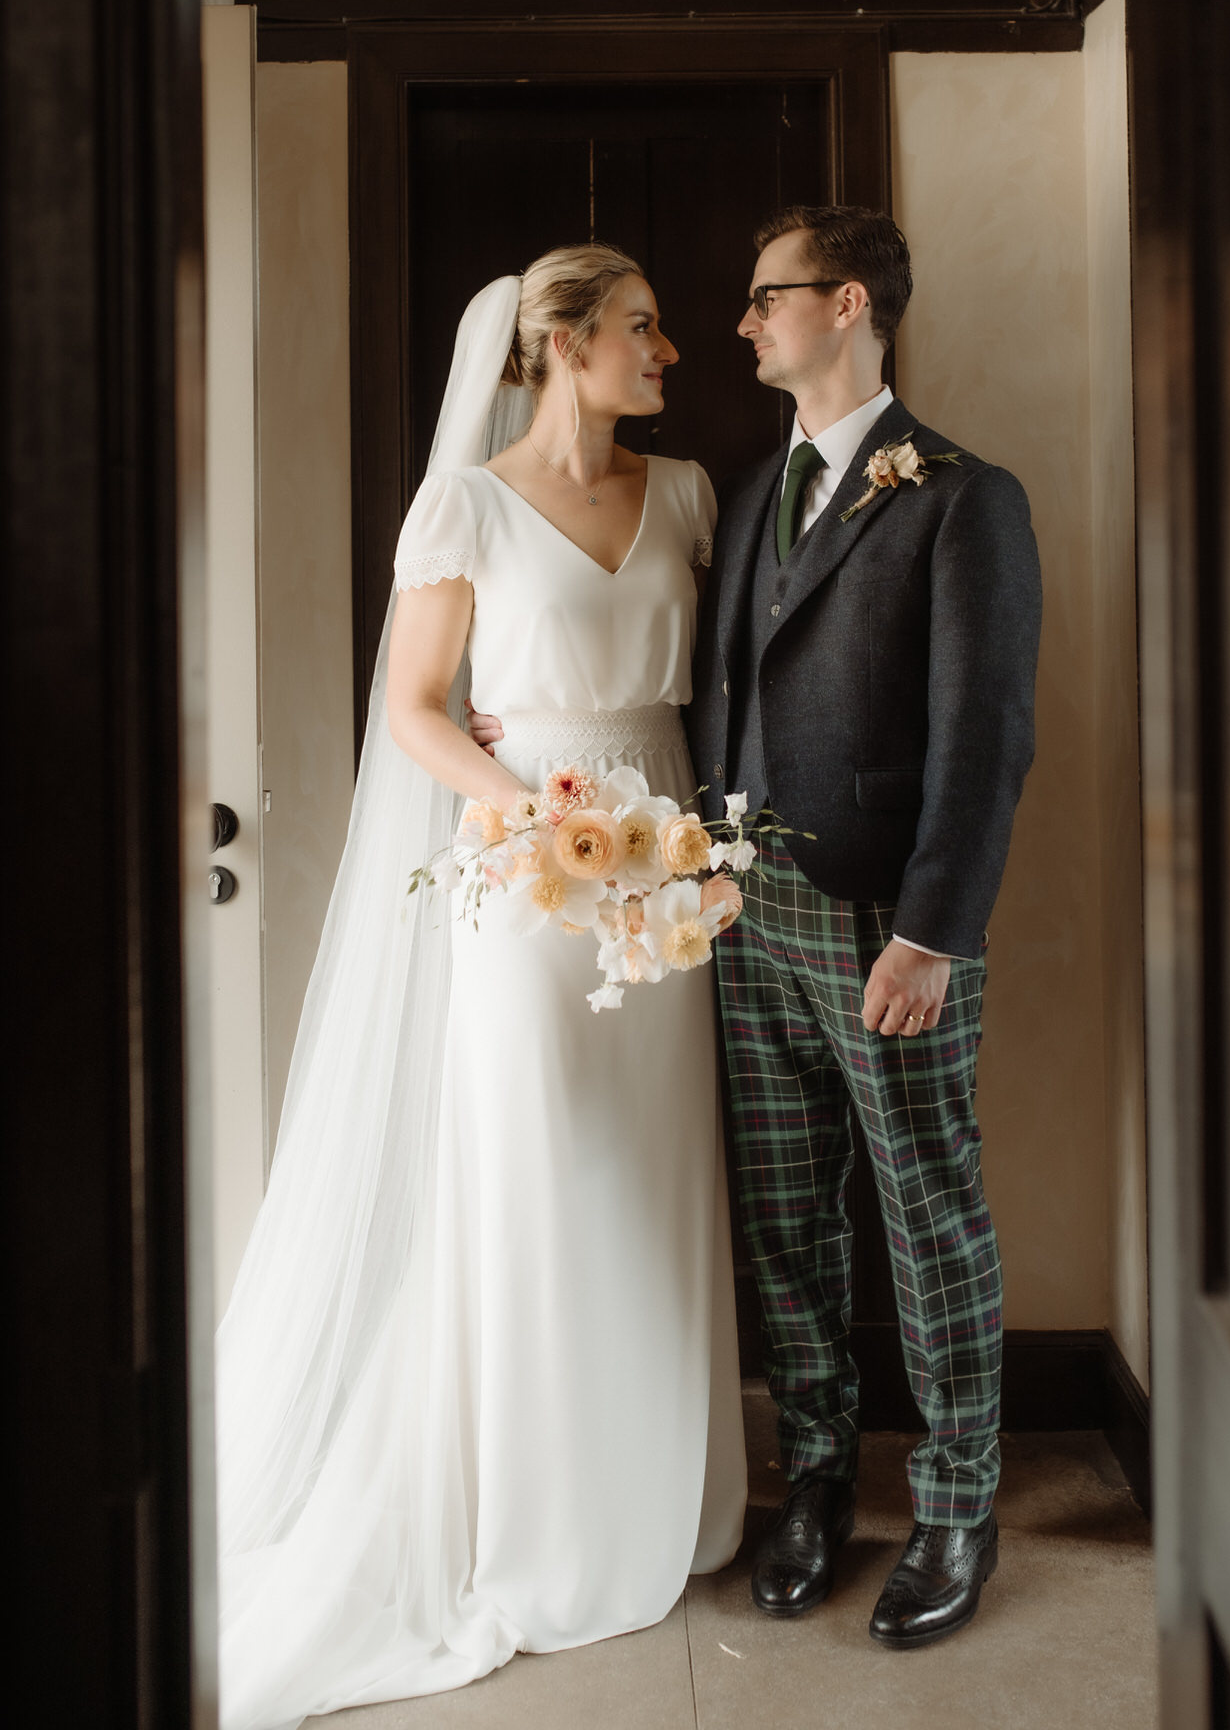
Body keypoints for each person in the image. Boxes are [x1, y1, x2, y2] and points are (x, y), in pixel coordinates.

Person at [215, 248, 747, 1730]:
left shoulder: (693, 493)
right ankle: (531, 1518)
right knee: (536, 1175)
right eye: (640, 328)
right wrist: (535, 817)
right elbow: (412, 710)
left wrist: (675, 857)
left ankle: (661, 1497)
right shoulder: (463, 505)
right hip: (527, 884)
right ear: (563, 346)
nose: (668, 352)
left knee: (654, 1176)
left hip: (672, 868)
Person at [688, 204, 1041, 1648]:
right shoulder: (744, 487)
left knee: (923, 1206)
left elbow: (986, 736)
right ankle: (819, 1478)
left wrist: (932, 933)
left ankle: (959, 1502)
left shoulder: (962, 495)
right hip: (742, 914)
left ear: (843, 304)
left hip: (886, 919)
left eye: (763, 297)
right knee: (785, 1220)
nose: (742, 322)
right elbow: (721, 691)